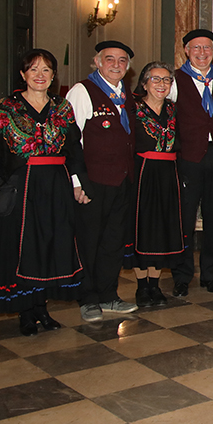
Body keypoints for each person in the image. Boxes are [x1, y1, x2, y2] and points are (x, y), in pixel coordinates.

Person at [0, 49, 88, 336]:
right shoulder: (8, 108)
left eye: (46, 70)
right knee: (22, 248)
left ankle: (41, 307)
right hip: (21, 186)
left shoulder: (63, 108)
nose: (40, 75)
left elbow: (74, 149)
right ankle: (26, 312)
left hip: (56, 186)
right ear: (23, 74)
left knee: (49, 246)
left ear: (53, 76)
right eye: (34, 70)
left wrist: (80, 183)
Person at [67, 41, 141, 322]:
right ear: (97, 62)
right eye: (110, 59)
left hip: (122, 180)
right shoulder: (82, 91)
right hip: (93, 182)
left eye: (122, 61)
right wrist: (78, 182)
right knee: (88, 241)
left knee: (113, 241)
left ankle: (109, 294)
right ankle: (87, 298)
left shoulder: (126, 95)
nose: (116, 65)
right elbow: (71, 142)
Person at [170, 29, 213, 296]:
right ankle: (182, 274)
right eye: (196, 48)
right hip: (188, 157)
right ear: (186, 51)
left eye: (207, 48)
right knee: (184, 217)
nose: (202, 53)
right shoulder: (174, 80)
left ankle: (209, 273)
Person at [127, 62, 184, 307]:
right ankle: (142, 287)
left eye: (166, 80)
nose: (161, 85)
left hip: (169, 173)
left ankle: (155, 284)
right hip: (143, 174)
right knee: (144, 227)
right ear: (144, 83)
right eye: (156, 79)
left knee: (163, 227)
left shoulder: (173, 110)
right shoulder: (132, 109)